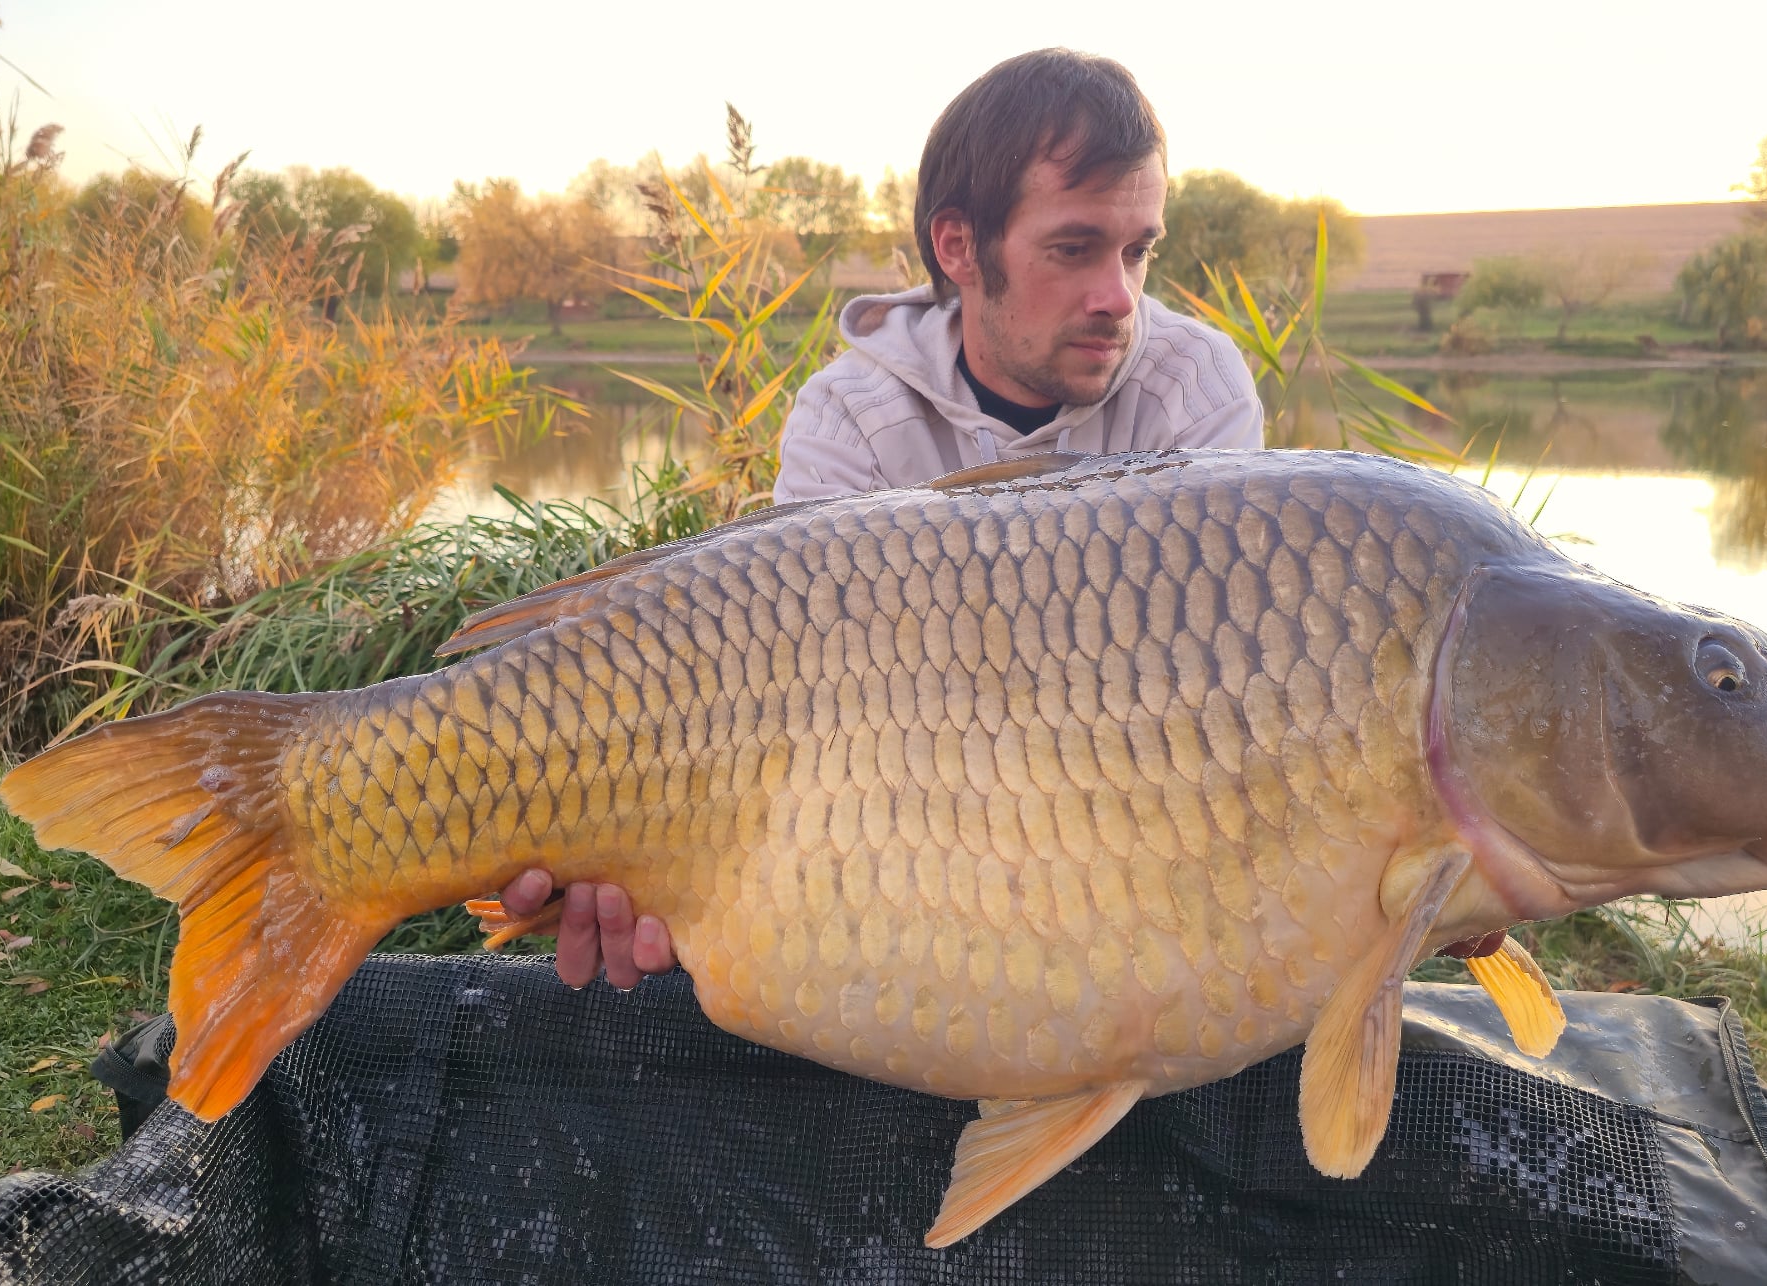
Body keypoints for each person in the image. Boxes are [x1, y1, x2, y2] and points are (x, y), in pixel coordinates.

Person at [501, 47, 1263, 987]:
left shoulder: (1197, 390)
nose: (1119, 297)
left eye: (1138, 251)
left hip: (1112, 831)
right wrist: (662, 859)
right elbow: (783, 714)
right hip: (889, 831)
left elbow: (1208, 711)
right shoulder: (848, 418)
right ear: (958, 246)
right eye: (1073, 250)